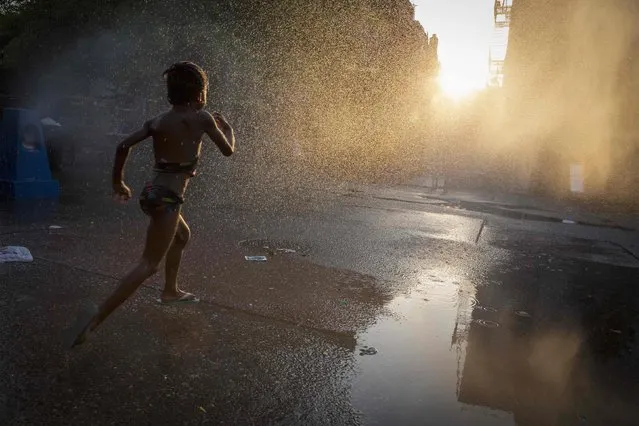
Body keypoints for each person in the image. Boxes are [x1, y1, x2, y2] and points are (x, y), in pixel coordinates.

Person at [71, 61, 235, 347]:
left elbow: (123, 146)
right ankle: (94, 321)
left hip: (152, 192)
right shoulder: (204, 119)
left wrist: (118, 183)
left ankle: (170, 291)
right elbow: (228, 150)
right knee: (148, 264)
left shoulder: (157, 121)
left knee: (182, 236)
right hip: (169, 198)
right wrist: (228, 127)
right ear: (199, 93)